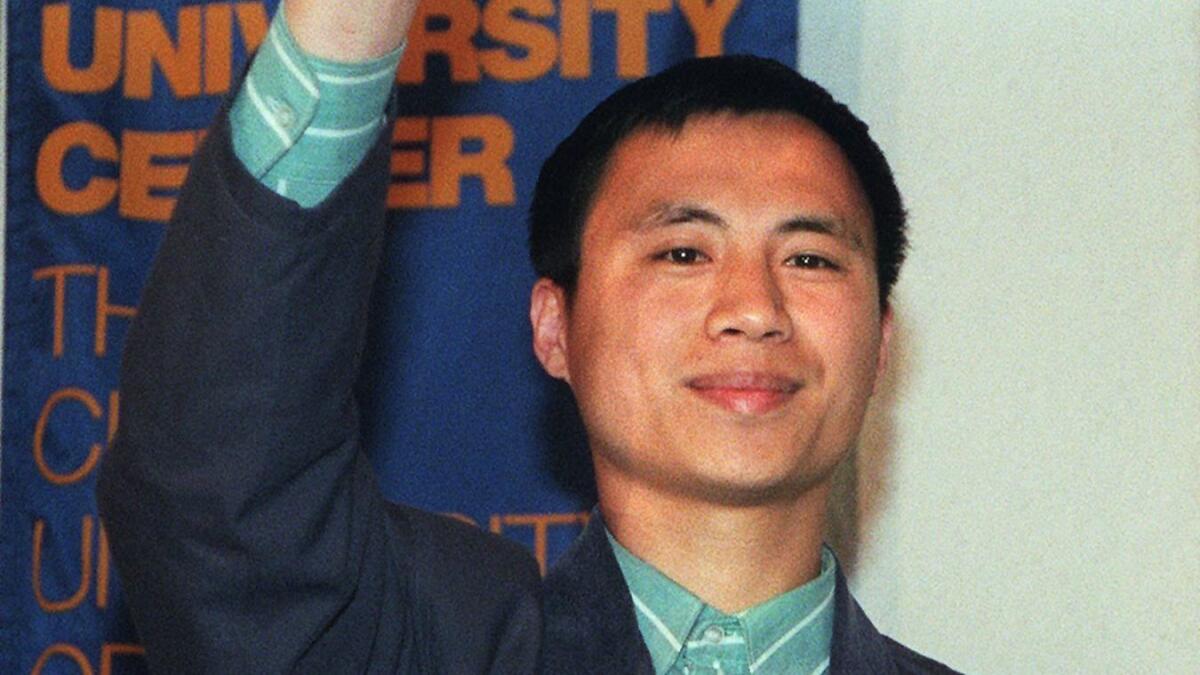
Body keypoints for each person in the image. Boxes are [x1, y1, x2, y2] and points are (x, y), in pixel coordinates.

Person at [97, 0, 958, 672]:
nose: (754, 308)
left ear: (880, 343)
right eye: (684, 250)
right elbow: (218, 488)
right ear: (555, 327)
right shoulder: (410, 650)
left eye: (809, 258)